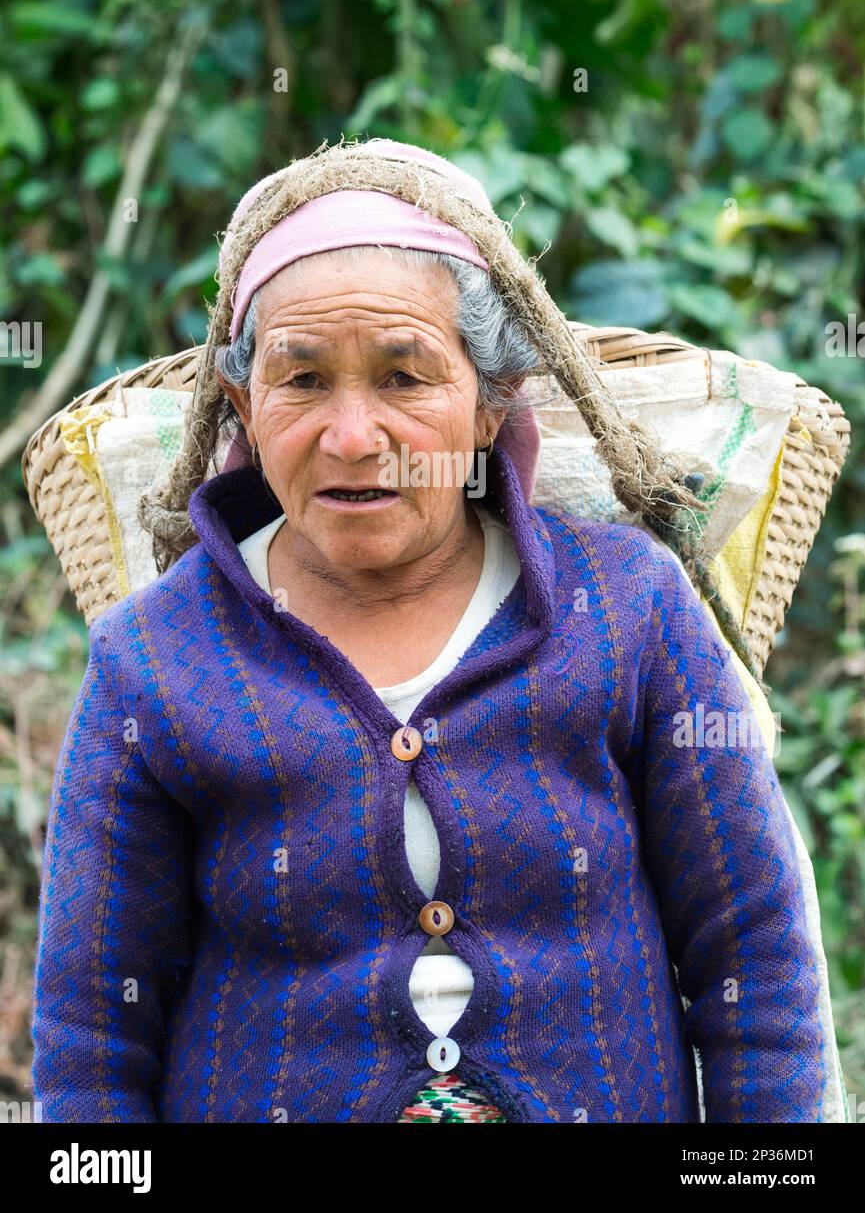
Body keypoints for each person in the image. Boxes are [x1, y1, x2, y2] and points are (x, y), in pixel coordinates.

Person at [31, 138, 841, 1122]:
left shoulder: (632, 610)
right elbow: (92, 1027)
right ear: (245, 404)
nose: (353, 435)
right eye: (302, 380)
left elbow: (752, 950)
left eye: (405, 379)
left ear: (493, 404)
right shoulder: (152, 664)